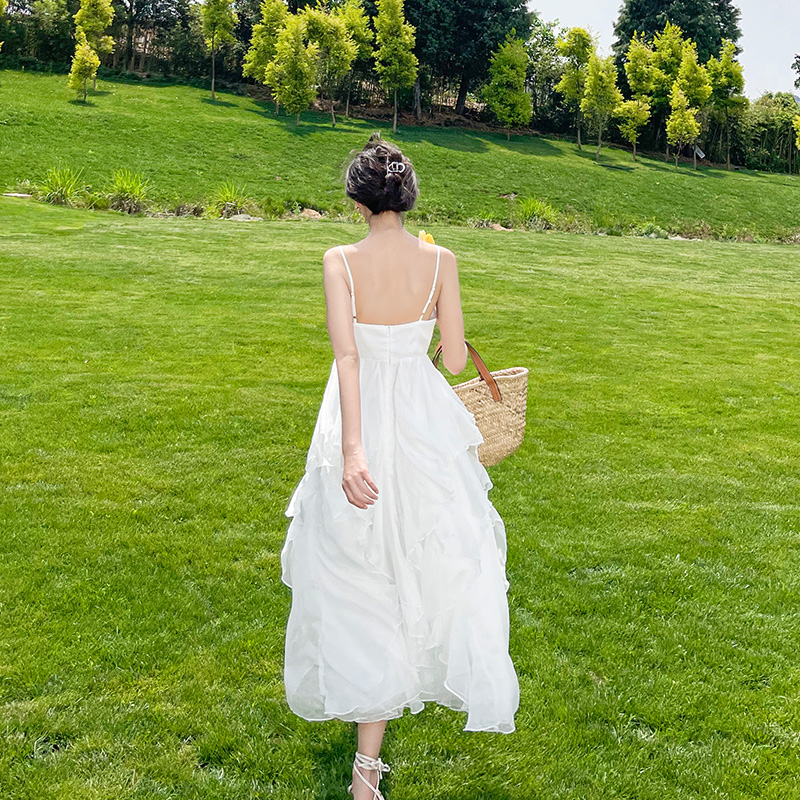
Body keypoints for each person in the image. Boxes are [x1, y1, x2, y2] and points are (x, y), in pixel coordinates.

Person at [281, 132, 519, 800]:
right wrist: (443, 322)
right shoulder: (441, 258)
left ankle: (367, 765)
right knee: (428, 554)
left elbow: (347, 357)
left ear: (358, 198)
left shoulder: (339, 260)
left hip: (359, 416)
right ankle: (370, 767)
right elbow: (449, 361)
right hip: (419, 416)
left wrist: (353, 450)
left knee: (359, 567)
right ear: (405, 194)